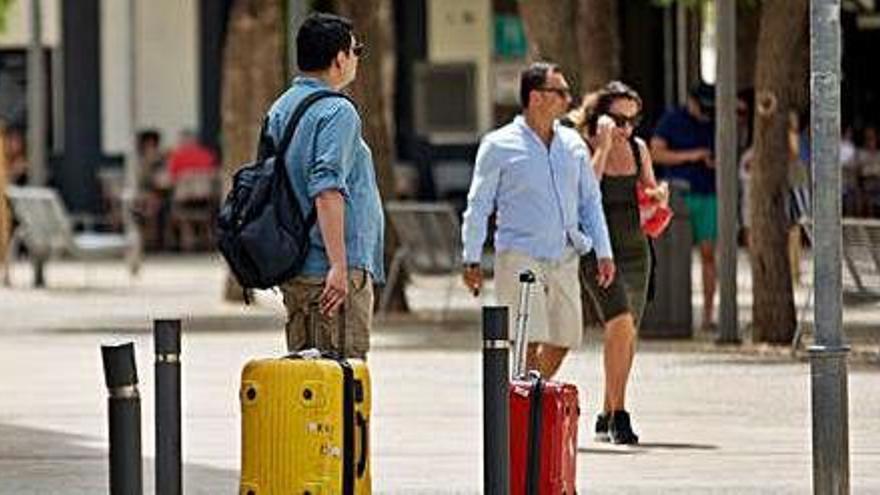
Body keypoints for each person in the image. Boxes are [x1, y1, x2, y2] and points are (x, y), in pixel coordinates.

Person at [461, 62, 615, 381]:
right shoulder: (498, 144)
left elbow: (590, 201)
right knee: (527, 339)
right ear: (536, 97)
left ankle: (525, 397)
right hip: (519, 253)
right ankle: (524, 413)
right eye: (560, 92)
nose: (568, 99)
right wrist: (471, 258)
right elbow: (478, 206)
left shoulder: (573, 145)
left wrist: (604, 251)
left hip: (564, 253)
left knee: (565, 337)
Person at [268, 13, 383, 359]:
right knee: (341, 386)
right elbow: (327, 189)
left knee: (305, 389)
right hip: (331, 272)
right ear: (339, 58)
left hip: (296, 268)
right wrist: (338, 265)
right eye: (355, 50)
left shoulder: (282, 107)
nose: (357, 58)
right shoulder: (338, 112)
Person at [568, 81, 666, 444]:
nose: (626, 129)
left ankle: (607, 411)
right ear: (600, 117)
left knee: (628, 331)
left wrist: (658, 197)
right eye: (618, 120)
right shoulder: (582, 147)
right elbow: (585, 194)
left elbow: (650, 193)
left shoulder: (639, 149)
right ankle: (620, 414)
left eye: (631, 121)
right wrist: (604, 145)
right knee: (619, 322)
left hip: (636, 252)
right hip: (598, 252)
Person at [650, 82, 717, 331]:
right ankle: (672, 312)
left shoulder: (714, 119)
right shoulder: (672, 119)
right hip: (679, 194)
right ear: (690, 101)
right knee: (673, 255)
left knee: (709, 255)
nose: (705, 112)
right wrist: (691, 156)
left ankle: (708, 316)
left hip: (708, 193)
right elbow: (655, 153)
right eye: (701, 107)